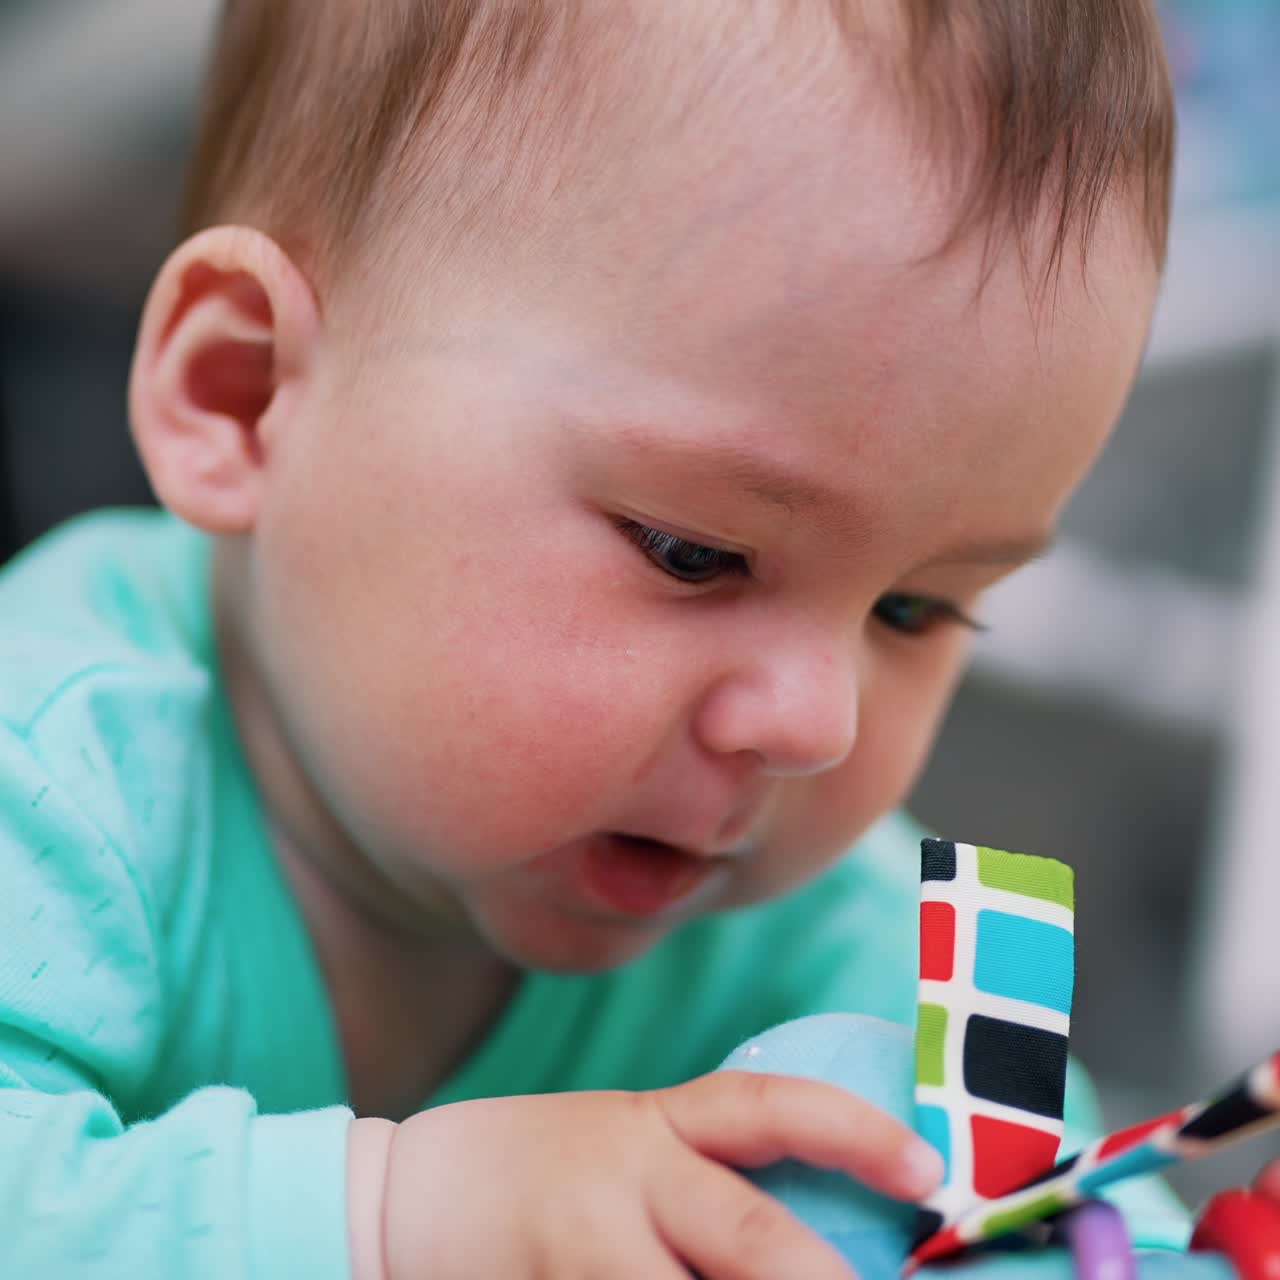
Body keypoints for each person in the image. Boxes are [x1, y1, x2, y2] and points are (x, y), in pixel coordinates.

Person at [1, 1, 1273, 1276]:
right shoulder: (48, 770)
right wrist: (397, 1214)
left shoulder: (822, 937)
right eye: (691, 551)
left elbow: (1060, 1207)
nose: (812, 722)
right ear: (245, 394)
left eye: (914, 607)